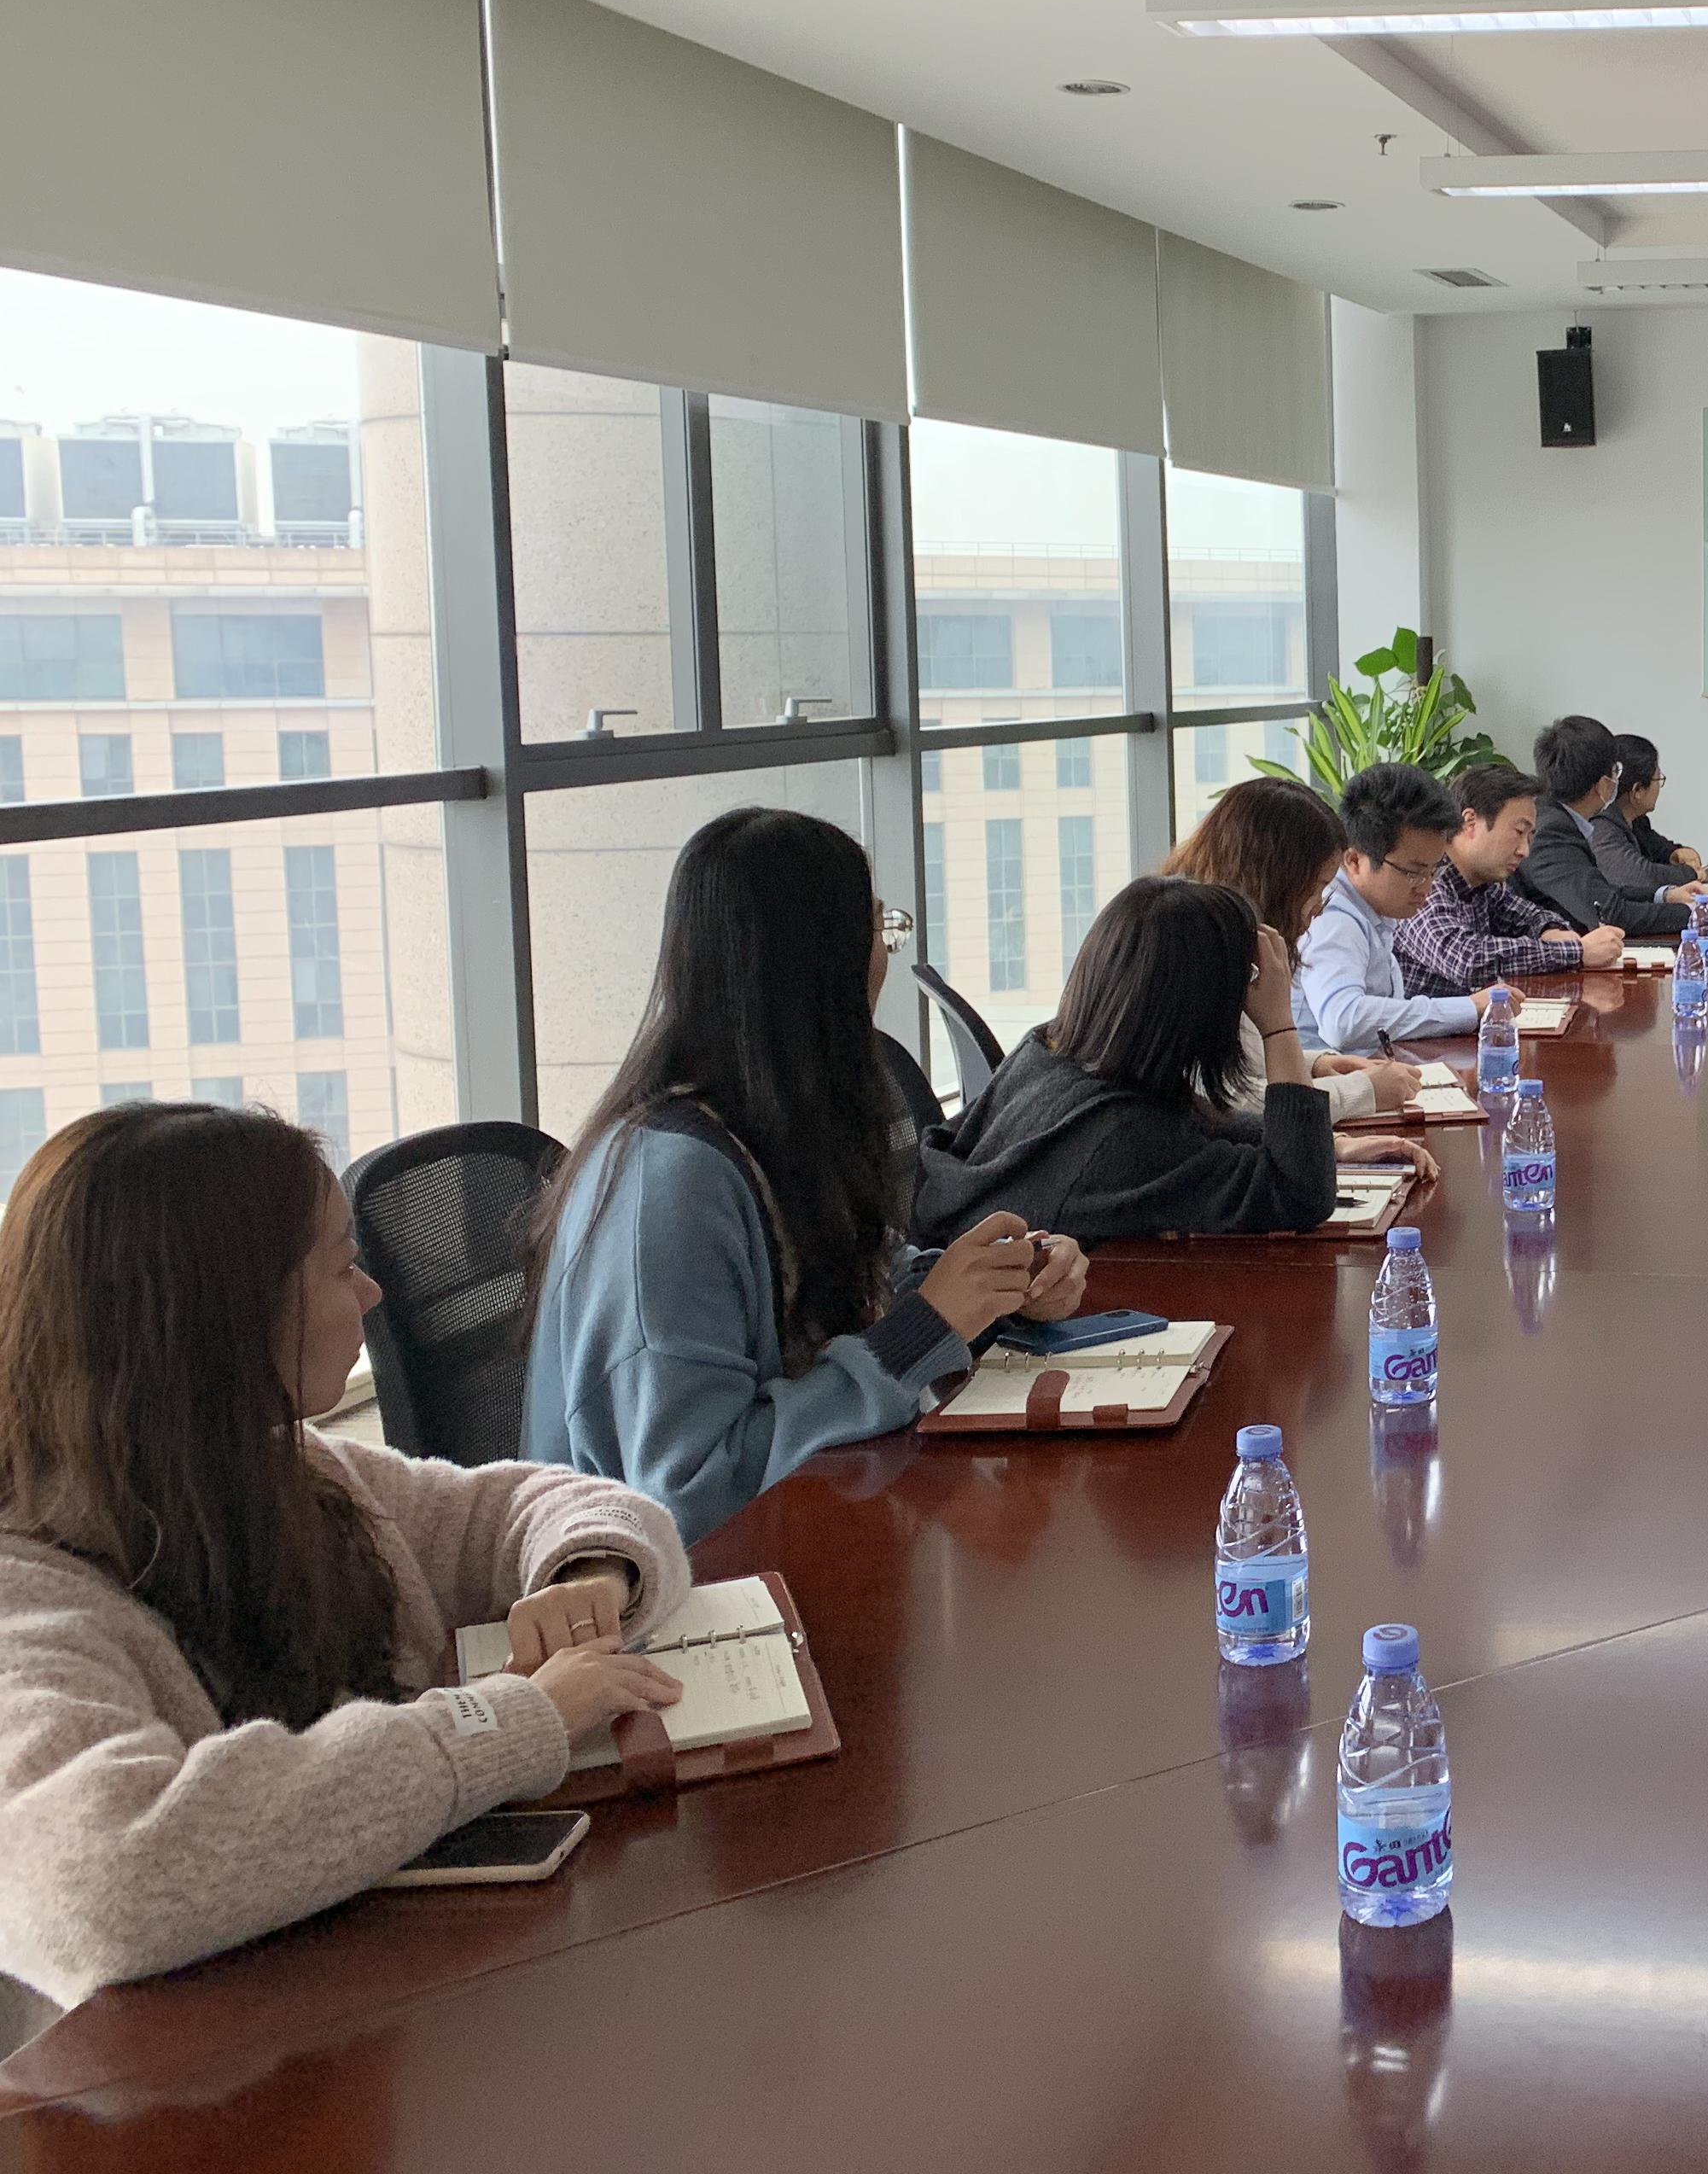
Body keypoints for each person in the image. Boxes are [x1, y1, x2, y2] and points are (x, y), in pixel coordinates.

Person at [0, 1104, 695, 2006]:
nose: (370, 1294)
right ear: (223, 1317)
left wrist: (587, 1572)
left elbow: (540, 1505)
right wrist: (509, 1720)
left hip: (380, 1997)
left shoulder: (287, 1471)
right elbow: (107, 1880)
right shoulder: (28, 1604)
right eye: (340, 1266)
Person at [526, 810, 1087, 1543]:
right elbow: (690, 1494)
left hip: (810, 1539)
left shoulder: (774, 1121)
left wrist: (997, 1284)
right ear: (818, 961)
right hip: (676, 1588)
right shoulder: (669, 1183)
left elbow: (859, 1283)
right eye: (877, 930)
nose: (883, 959)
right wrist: (928, 1326)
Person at [918, 875, 1437, 1246]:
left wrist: (1331, 1146)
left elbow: (1188, 1125)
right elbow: (1300, 1196)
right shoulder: (1120, 1138)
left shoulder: (1047, 1053)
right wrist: (1278, 1025)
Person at [1163, 774, 1421, 1125]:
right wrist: (1363, 1091)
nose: (1320, 908)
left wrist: (1314, 1064)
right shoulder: (1191, 943)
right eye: (1317, 887)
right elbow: (1227, 1101)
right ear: (1277, 879)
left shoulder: (1219, 927)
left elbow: (1239, 1057)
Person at [1301, 761, 1513, 1053]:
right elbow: (1343, 1022)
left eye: (1434, 870)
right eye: (1413, 872)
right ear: (1354, 860)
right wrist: (1468, 1008)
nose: (1426, 886)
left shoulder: (1376, 908)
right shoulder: (1332, 916)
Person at [1396, 761, 1623, 996]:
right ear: (1470, 822)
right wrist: (1576, 951)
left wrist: (1551, 930)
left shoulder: (1484, 885)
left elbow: (1531, 916)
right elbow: (1467, 960)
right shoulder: (1426, 881)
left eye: (1529, 836)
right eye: (1518, 832)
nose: (1525, 851)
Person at [1521, 714, 1705, 941]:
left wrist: (1665, 895)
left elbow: (1603, 892)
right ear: (1602, 784)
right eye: (1615, 771)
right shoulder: (1552, 832)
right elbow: (1610, 913)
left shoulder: (1558, 818)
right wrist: (1697, 913)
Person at [1591, 733, 1705, 889]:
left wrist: (1676, 853)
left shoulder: (1636, 822)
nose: (1659, 787)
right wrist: (1689, 874)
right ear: (1637, 790)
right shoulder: (1601, 827)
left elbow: (1660, 849)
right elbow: (1639, 877)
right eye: (1658, 779)